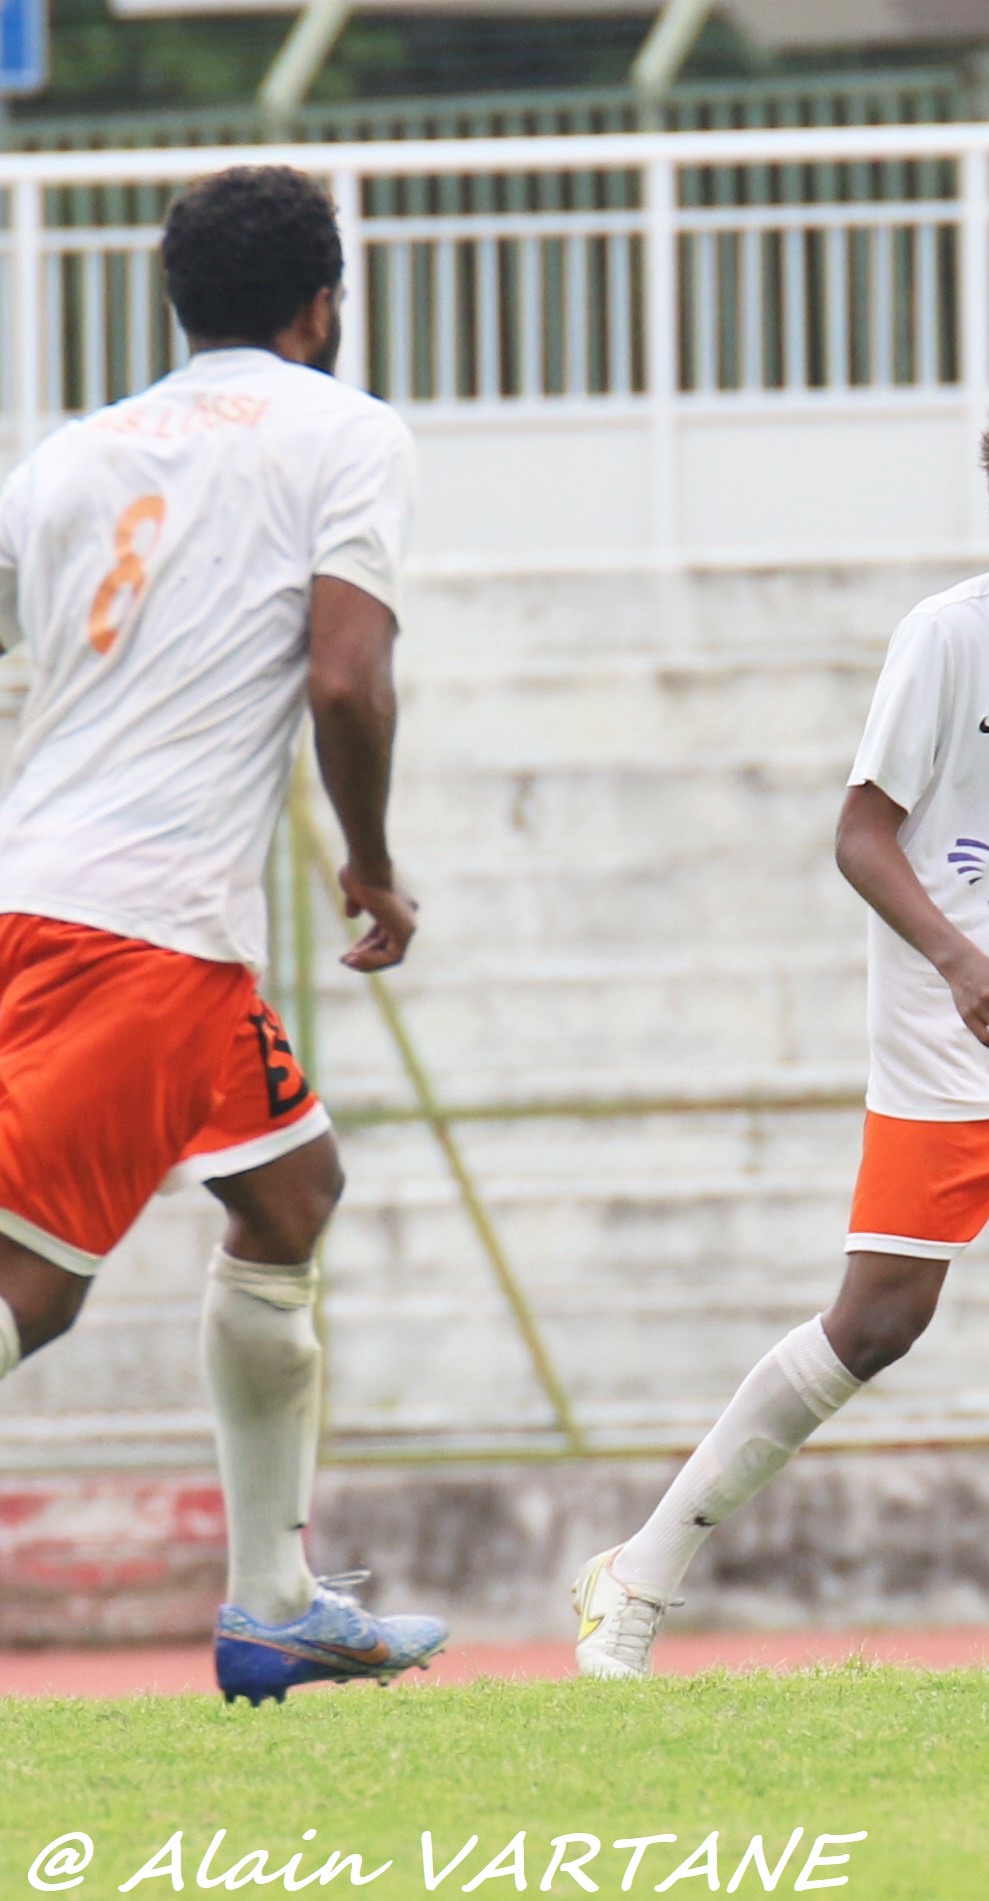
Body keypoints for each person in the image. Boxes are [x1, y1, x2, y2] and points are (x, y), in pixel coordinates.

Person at [569, 373, 989, 1674]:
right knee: (878, 1322)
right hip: (947, 1037)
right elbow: (859, 832)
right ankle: (636, 1571)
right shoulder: (945, 638)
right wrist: (960, 963)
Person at [0, 167, 444, 1704]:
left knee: (290, 1193)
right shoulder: (346, 433)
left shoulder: (70, 457)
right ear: (324, 305)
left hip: (60, 897)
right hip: (143, 929)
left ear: (176, 301)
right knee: (33, 1290)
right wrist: (371, 865)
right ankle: (271, 1602)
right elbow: (346, 678)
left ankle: (273, 1604)